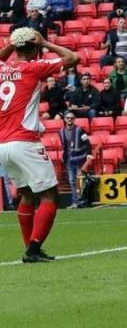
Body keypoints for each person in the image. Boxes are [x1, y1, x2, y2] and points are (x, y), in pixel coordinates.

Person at [0, 28, 80, 262]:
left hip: (2, 144)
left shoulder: (2, 68)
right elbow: (73, 58)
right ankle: (34, 249)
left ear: (15, 48)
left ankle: (30, 248)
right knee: (49, 195)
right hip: (24, 141)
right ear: (34, 48)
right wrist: (46, 43)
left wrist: (13, 44)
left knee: (26, 194)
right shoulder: (34, 68)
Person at [60, 112, 93, 209]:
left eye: (71, 118)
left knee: (80, 180)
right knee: (71, 181)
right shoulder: (61, 131)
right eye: (68, 118)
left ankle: (82, 200)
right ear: (64, 119)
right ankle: (75, 202)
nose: (69, 119)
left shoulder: (80, 130)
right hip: (69, 160)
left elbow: (87, 142)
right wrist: (64, 156)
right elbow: (65, 146)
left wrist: (89, 154)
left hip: (80, 159)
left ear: (74, 119)